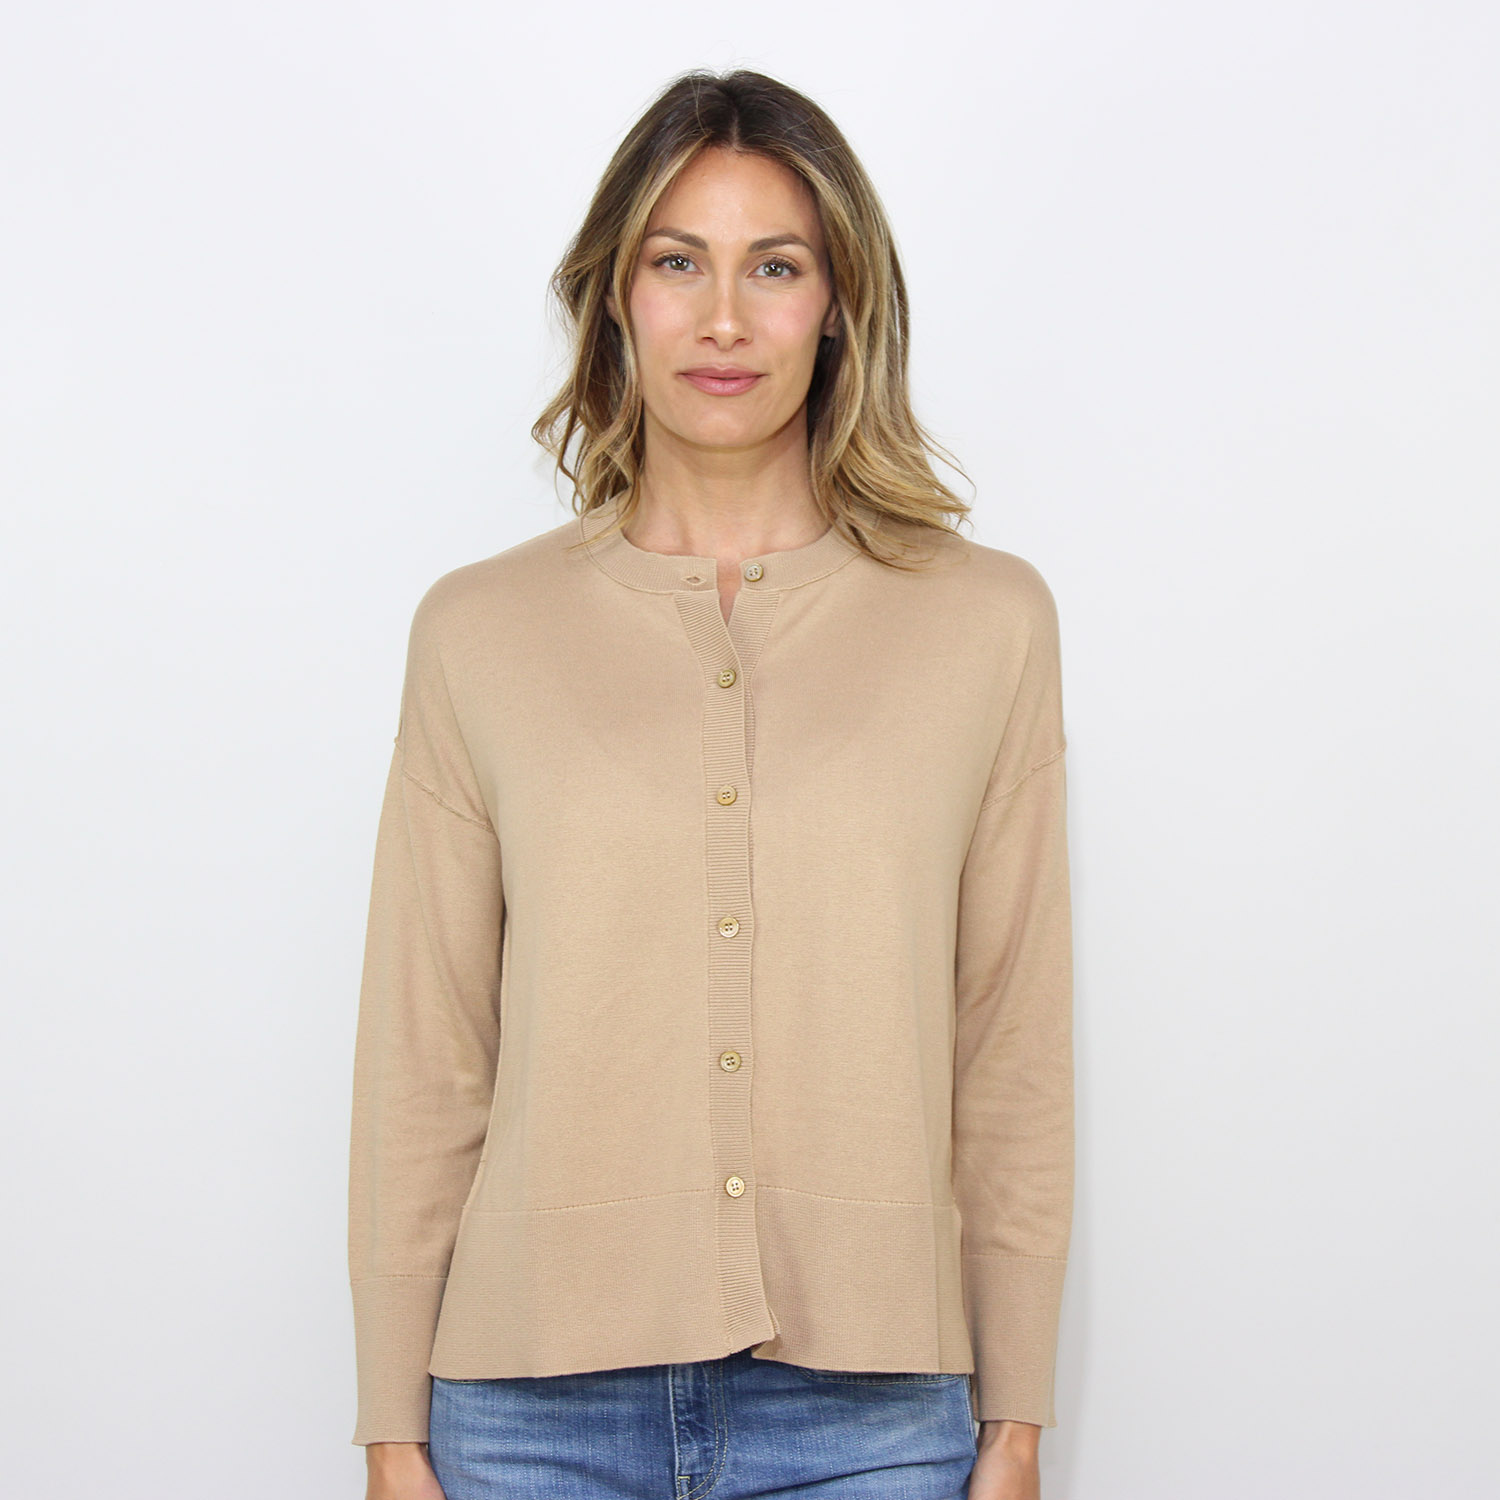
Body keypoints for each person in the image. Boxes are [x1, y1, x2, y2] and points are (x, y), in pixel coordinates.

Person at [349, 67, 1074, 1500]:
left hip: (872, 1422)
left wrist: (1016, 1425)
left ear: (840, 302)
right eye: (678, 262)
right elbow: (425, 1059)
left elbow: (1010, 1047)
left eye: (776, 267)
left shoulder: (986, 624)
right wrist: (390, 1432)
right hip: (527, 1418)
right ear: (615, 297)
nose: (725, 318)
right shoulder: (479, 632)